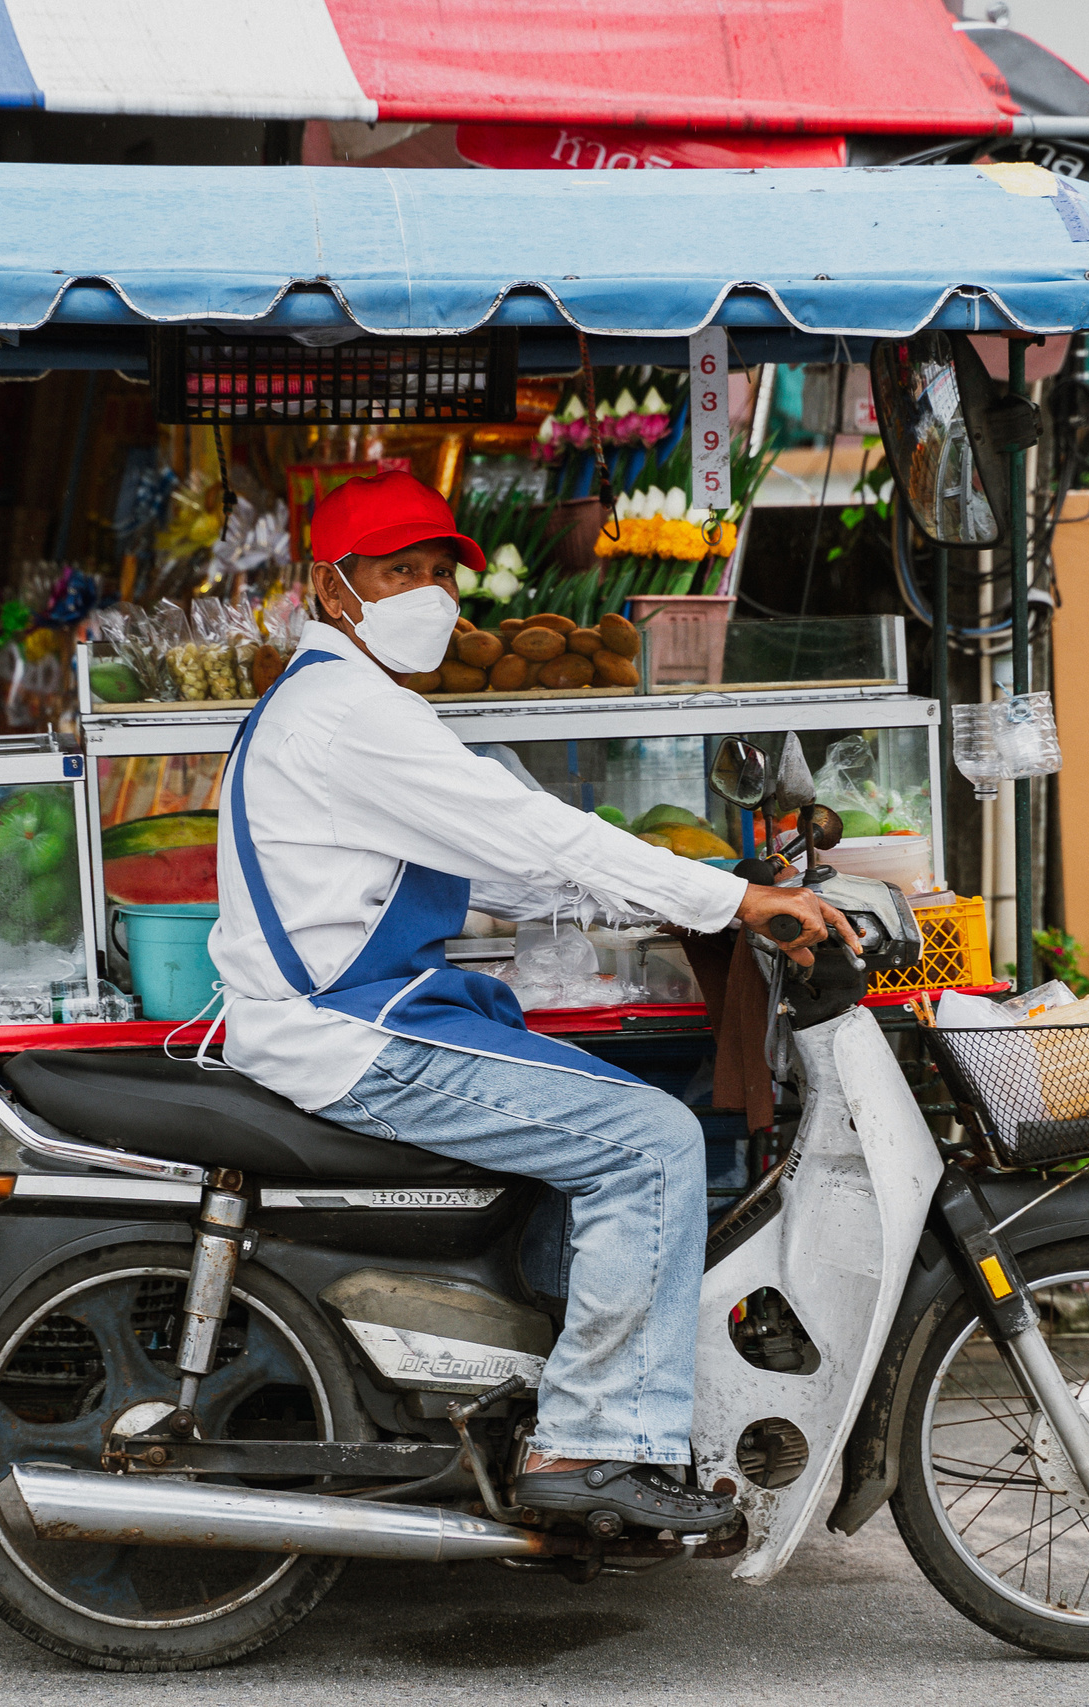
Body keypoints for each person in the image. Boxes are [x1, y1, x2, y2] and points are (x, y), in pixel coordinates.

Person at [209, 470, 851, 1530]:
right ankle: (587, 1447)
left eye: (436, 572)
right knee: (648, 1140)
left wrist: (662, 899)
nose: (426, 591)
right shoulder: (348, 714)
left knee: (619, 1110)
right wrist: (731, 898)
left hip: (372, 1014)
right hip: (349, 1032)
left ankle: (571, 1373)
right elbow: (535, 835)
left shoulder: (353, 704)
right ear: (334, 588)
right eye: (396, 571)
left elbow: (509, 872)